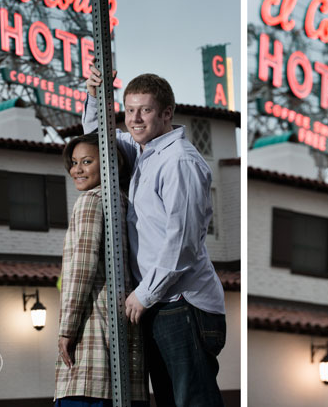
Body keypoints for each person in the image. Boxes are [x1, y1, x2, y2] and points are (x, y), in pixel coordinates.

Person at [83, 67, 226, 407]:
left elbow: (184, 242)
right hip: (161, 304)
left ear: (166, 113)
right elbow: (97, 141)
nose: (134, 118)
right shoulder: (143, 153)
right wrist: (92, 96)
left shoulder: (179, 162)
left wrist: (144, 294)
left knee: (192, 402)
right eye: (129, 109)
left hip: (183, 304)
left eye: (144, 110)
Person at [55, 133, 148, 407]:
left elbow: (79, 270)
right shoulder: (122, 201)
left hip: (92, 338)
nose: (77, 169)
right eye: (73, 162)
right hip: (124, 329)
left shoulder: (89, 201)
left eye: (86, 161)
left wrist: (66, 328)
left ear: (110, 163)